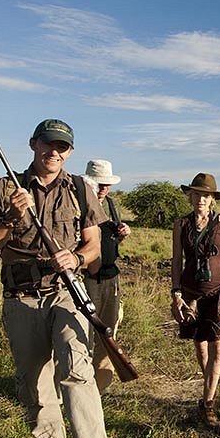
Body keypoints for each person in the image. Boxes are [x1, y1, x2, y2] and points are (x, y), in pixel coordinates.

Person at [0, 118, 116, 438]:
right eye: (48, 144)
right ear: (33, 144)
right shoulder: (3, 189)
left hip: (66, 291)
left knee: (77, 370)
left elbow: (93, 247)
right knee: (34, 381)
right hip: (21, 297)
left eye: (62, 147)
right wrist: (9, 220)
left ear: (70, 152)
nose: (54, 152)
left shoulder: (81, 190)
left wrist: (77, 260)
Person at [170, 173, 220, 429]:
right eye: (196, 194)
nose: (200, 199)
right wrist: (176, 293)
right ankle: (207, 387)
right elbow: (177, 261)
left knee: (217, 348)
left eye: (205, 195)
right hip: (191, 294)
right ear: (190, 197)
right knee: (200, 346)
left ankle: (208, 404)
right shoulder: (181, 224)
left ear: (212, 199)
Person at [83, 159, 131, 393]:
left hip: (111, 277)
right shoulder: (78, 204)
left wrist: (123, 234)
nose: (103, 188)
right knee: (83, 335)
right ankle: (77, 385)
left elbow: (112, 240)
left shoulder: (112, 205)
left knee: (108, 333)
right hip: (86, 279)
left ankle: (99, 388)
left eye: (107, 184)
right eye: (99, 183)